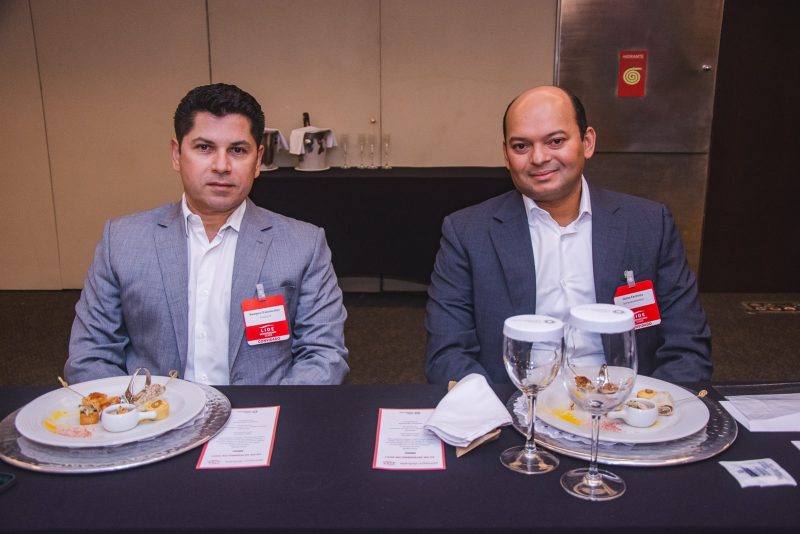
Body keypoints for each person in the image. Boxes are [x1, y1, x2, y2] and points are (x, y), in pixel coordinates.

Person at [425, 85, 711, 384]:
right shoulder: (468, 232)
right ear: (506, 156)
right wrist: (491, 413)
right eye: (521, 146)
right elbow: (448, 352)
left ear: (587, 142)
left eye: (555, 141)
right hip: (513, 405)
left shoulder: (648, 224)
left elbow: (687, 345)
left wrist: (651, 412)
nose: (538, 157)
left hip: (623, 405)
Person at [65, 83, 349, 385]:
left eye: (238, 150)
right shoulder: (122, 241)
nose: (222, 166)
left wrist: (272, 417)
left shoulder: (303, 245)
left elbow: (323, 356)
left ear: (257, 160)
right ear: (176, 155)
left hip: (262, 422)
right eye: (204, 148)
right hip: (153, 420)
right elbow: (91, 355)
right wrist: (135, 418)